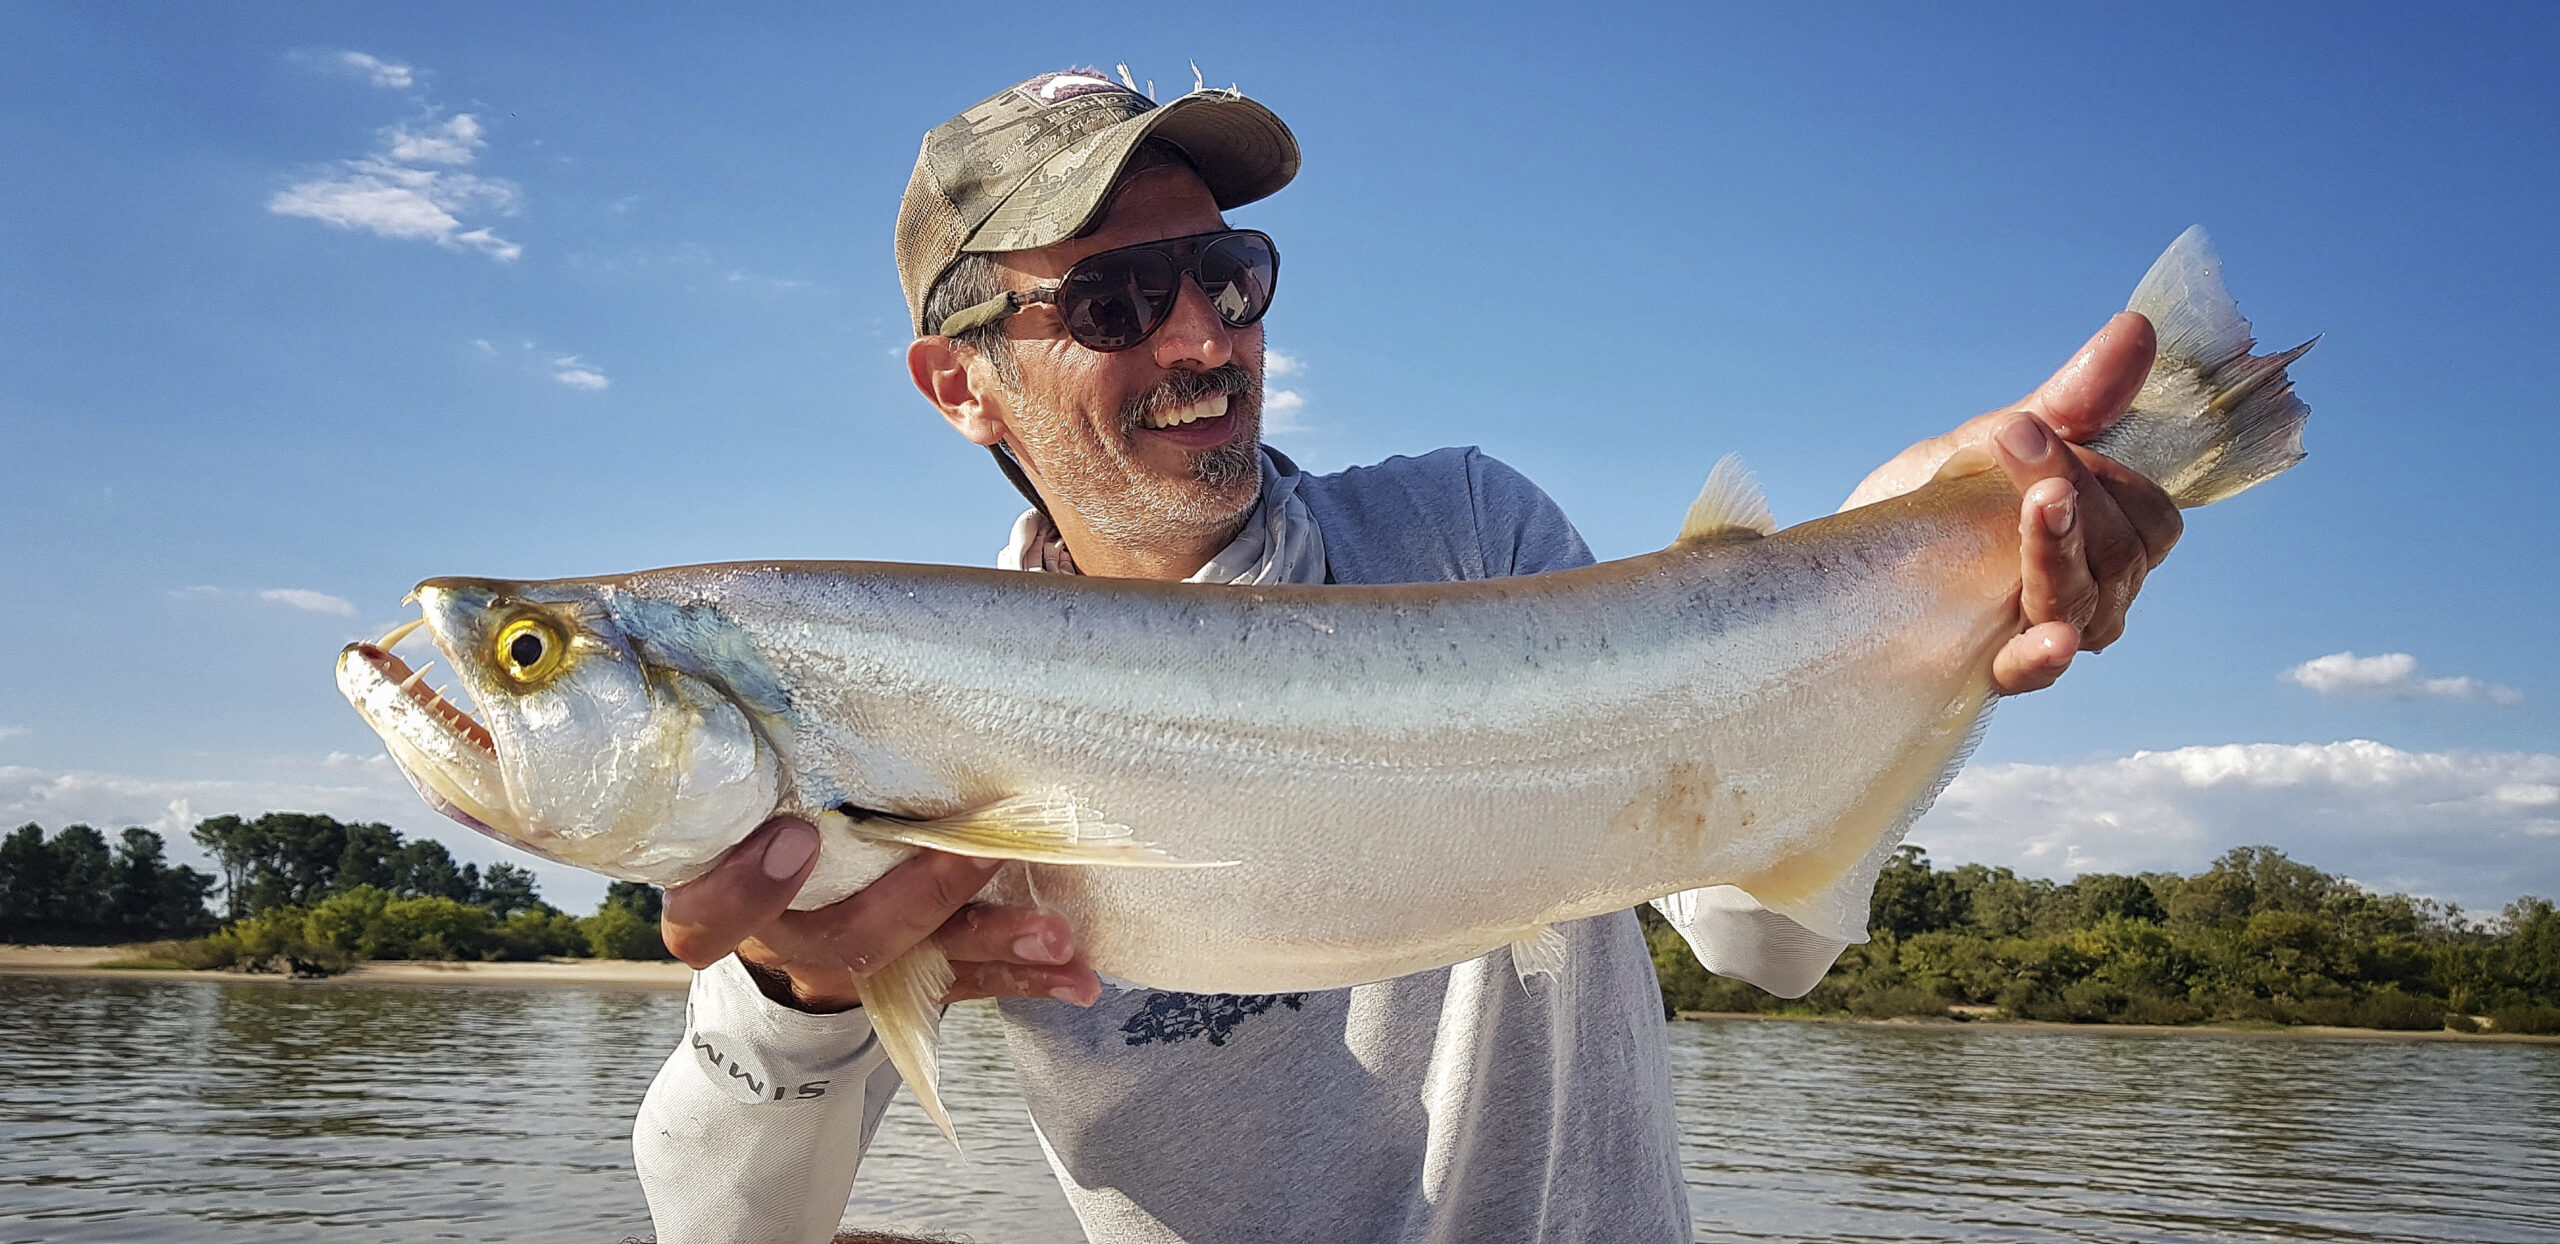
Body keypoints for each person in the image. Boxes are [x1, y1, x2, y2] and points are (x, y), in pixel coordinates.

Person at [631, 71, 2181, 1244]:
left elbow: (1761, 942)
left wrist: (1941, 582)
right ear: (958, 387)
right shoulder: (882, 723)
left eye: (1228, 277)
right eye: (1113, 299)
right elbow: (722, 1222)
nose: (1200, 341)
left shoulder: (1465, 531)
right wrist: (795, 993)